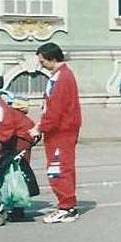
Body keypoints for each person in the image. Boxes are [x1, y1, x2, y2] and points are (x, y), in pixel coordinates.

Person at [33, 43, 82, 224]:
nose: (41, 65)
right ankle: (66, 204)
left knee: (58, 169)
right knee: (61, 168)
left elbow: (55, 109)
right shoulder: (61, 76)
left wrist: (39, 127)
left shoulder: (61, 78)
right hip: (60, 130)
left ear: (53, 58)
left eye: (42, 61)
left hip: (61, 131)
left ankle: (67, 207)